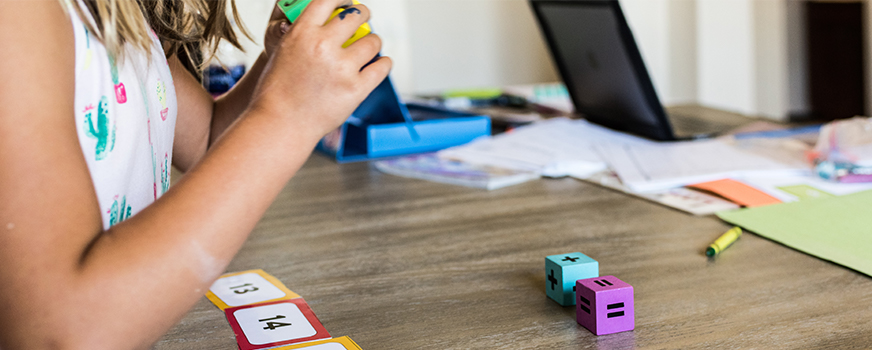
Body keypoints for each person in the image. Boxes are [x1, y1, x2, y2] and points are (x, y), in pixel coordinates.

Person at [0, 0, 390, 348]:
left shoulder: (126, 12)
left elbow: (206, 140)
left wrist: (281, 63)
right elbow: (65, 333)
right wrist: (289, 114)